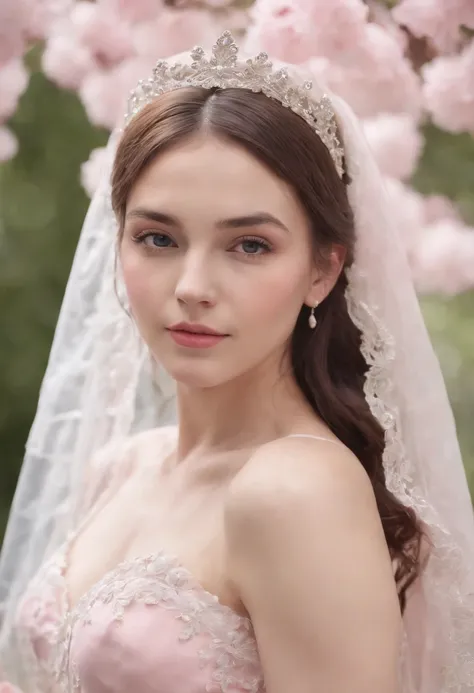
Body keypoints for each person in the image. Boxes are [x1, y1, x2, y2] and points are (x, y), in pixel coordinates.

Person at [0, 31, 473, 693]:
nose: (192, 284)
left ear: (321, 270)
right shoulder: (118, 468)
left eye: (249, 245)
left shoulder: (296, 491)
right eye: (157, 237)